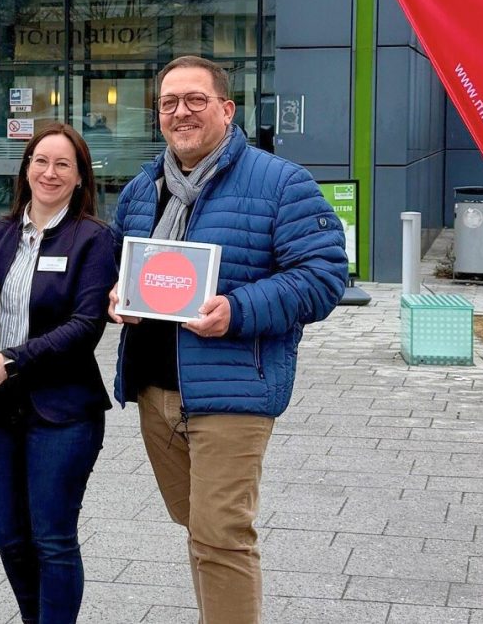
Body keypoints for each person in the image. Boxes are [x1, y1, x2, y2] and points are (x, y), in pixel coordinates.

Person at [108, 56, 348, 624]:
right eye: (169, 103)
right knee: (197, 526)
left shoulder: (280, 182)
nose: (180, 112)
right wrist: (116, 297)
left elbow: (325, 275)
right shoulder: (147, 187)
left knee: (221, 534)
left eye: (195, 99)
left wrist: (236, 310)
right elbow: (117, 266)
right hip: (155, 390)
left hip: (232, 389)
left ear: (226, 109)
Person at [0, 122, 114, 624]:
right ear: (26, 169)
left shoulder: (94, 238)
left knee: (51, 539)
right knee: (8, 537)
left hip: (64, 412)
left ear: (79, 178)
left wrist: (13, 360)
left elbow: (86, 325)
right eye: (40, 161)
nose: (49, 173)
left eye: (62, 165)